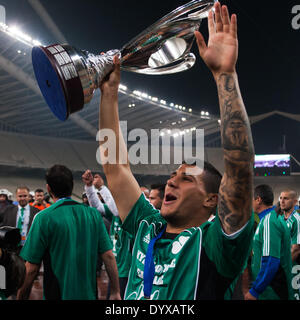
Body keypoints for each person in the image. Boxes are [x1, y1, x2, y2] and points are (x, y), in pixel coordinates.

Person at [98, 3, 255, 300]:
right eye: (174, 176)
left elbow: (240, 164)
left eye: (186, 179)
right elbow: (116, 169)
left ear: (212, 199)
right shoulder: (148, 225)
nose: (171, 181)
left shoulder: (215, 245)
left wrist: (224, 75)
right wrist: (108, 95)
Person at [17, 165, 121, 300]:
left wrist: (21, 296)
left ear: (48, 188)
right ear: (72, 186)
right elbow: (108, 256)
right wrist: (115, 291)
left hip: (57, 294)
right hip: (89, 295)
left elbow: (31, 268)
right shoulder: (93, 215)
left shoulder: (43, 218)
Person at [82, 169, 133, 299]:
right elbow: (96, 206)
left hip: (126, 269)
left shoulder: (128, 214)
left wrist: (102, 188)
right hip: (115, 267)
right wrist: (89, 187)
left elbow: (118, 211)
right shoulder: (114, 212)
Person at [245, 185, 293, 300]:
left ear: (258, 200)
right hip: (270, 288)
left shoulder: (269, 221)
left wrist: (255, 290)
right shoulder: (269, 219)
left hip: (272, 290)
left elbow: (271, 260)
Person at [279, 189, 300, 300]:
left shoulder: (297, 220)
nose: (282, 201)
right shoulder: (280, 219)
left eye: (286, 198)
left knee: (294, 296)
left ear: (295, 202)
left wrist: (282, 267)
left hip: (293, 266)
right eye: (281, 198)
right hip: (283, 265)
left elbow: (296, 249)